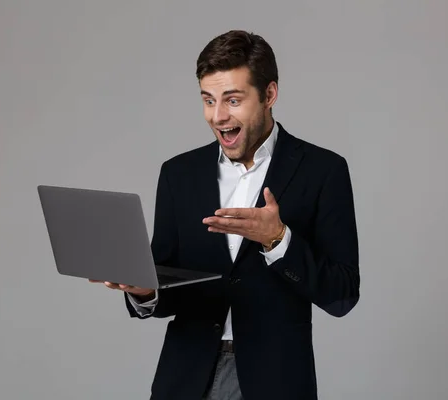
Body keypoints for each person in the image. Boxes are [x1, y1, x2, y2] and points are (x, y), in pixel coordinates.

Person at [91, 29, 360, 400]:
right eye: (208, 100)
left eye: (232, 100)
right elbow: (168, 284)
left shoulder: (323, 170)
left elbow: (343, 295)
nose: (218, 116)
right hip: (185, 377)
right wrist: (143, 289)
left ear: (269, 95)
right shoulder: (178, 174)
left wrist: (278, 240)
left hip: (276, 380)